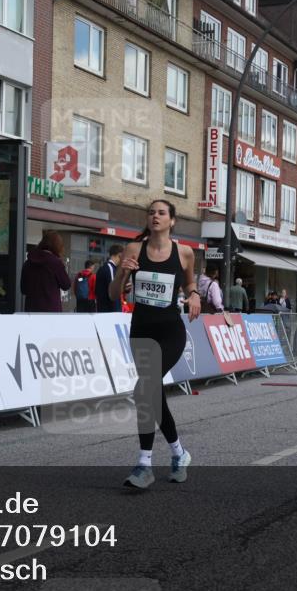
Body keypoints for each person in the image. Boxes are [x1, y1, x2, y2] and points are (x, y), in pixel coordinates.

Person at [110, 199, 199, 489]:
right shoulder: (134, 249)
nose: (155, 216)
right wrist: (122, 272)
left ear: (172, 220)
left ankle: (144, 464)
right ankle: (179, 453)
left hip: (171, 331)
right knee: (152, 393)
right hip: (142, 331)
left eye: (161, 213)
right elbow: (113, 293)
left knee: (145, 387)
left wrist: (195, 295)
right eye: (151, 213)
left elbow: (189, 284)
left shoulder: (184, 252)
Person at [20, 231, 71, 313]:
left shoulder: (28, 262)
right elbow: (66, 285)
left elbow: (23, 289)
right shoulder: (55, 263)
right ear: (57, 246)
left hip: (31, 310)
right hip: (51, 311)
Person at [96, 245, 124, 312]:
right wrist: (117, 312)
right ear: (120, 255)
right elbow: (113, 292)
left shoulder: (106, 267)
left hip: (104, 310)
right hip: (110, 311)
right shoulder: (110, 268)